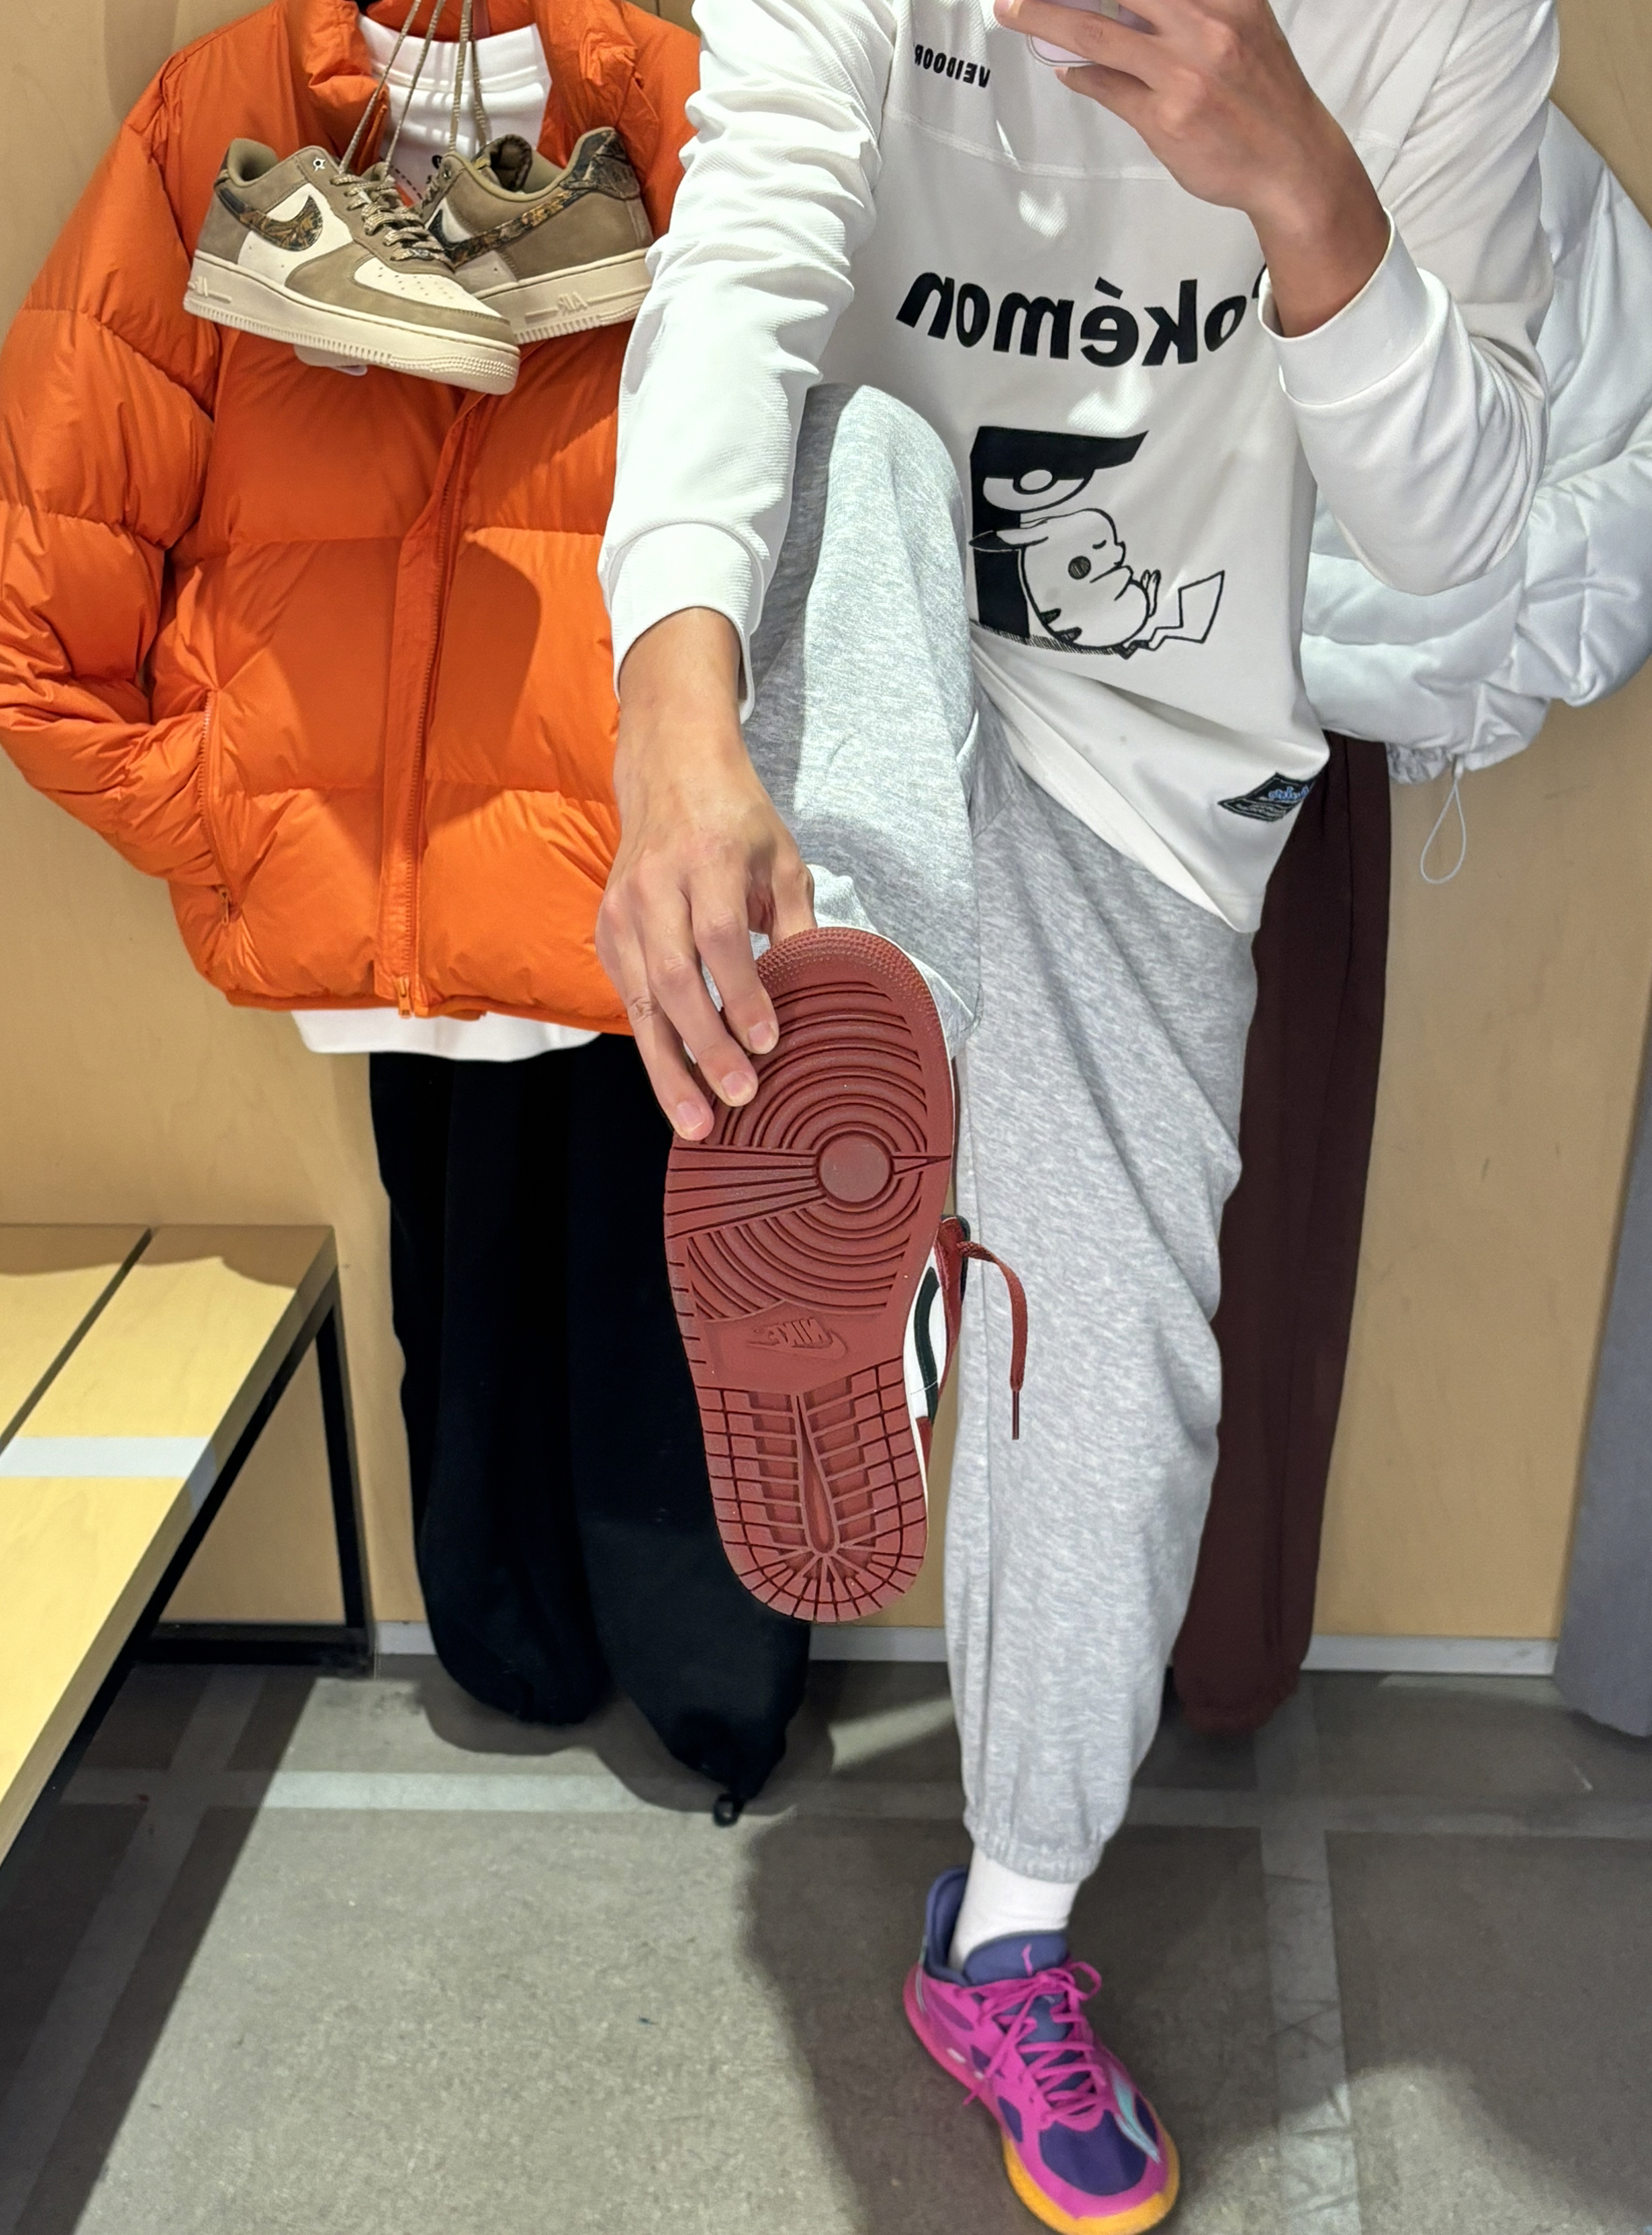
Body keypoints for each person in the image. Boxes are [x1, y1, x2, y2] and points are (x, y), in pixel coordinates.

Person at [595, 0, 1557, 2224]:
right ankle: (874, 1101)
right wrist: (665, 713)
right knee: (869, 457)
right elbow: (742, 257)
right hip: (846, 656)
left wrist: (1296, 173)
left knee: (1115, 1380)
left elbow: (1458, 534)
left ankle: (1001, 1941)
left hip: (1157, 758)